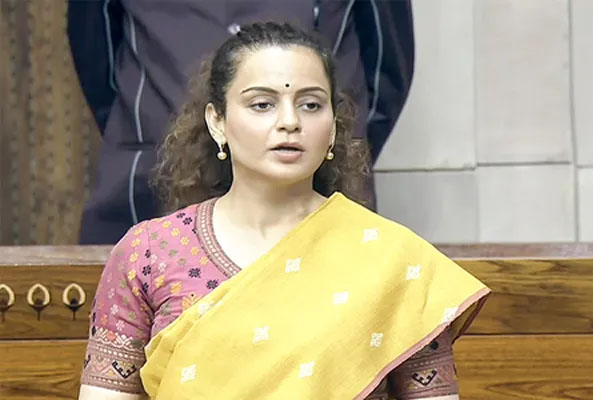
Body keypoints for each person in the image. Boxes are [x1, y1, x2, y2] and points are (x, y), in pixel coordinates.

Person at [79, 22, 490, 400]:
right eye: (262, 104)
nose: (290, 121)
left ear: (333, 126)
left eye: (311, 105)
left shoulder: (394, 260)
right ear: (217, 121)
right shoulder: (149, 252)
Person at [67, 0, 415, 245]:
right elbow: (96, 53)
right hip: (148, 183)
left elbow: (386, 68)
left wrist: (327, 150)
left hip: (320, 200)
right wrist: (155, 136)